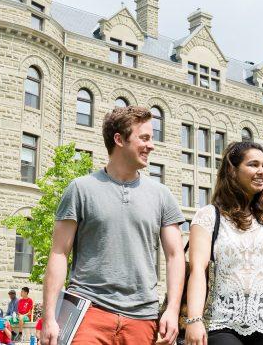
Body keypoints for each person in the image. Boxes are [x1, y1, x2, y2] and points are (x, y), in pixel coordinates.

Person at [40, 106, 186, 345]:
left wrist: (172, 309)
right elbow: (58, 253)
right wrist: (49, 317)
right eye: (145, 138)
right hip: (88, 312)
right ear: (119, 139)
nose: (151, 145)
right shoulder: (80, 189)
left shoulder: (162, 195)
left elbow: (175, 255)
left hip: (142, 318)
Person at [185, 141, 263, 345]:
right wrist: (194, 319)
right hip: (223, 323)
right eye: (253, 164)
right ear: (232, 170)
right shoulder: (208, 216)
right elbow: (197, 271)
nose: (261, 171)